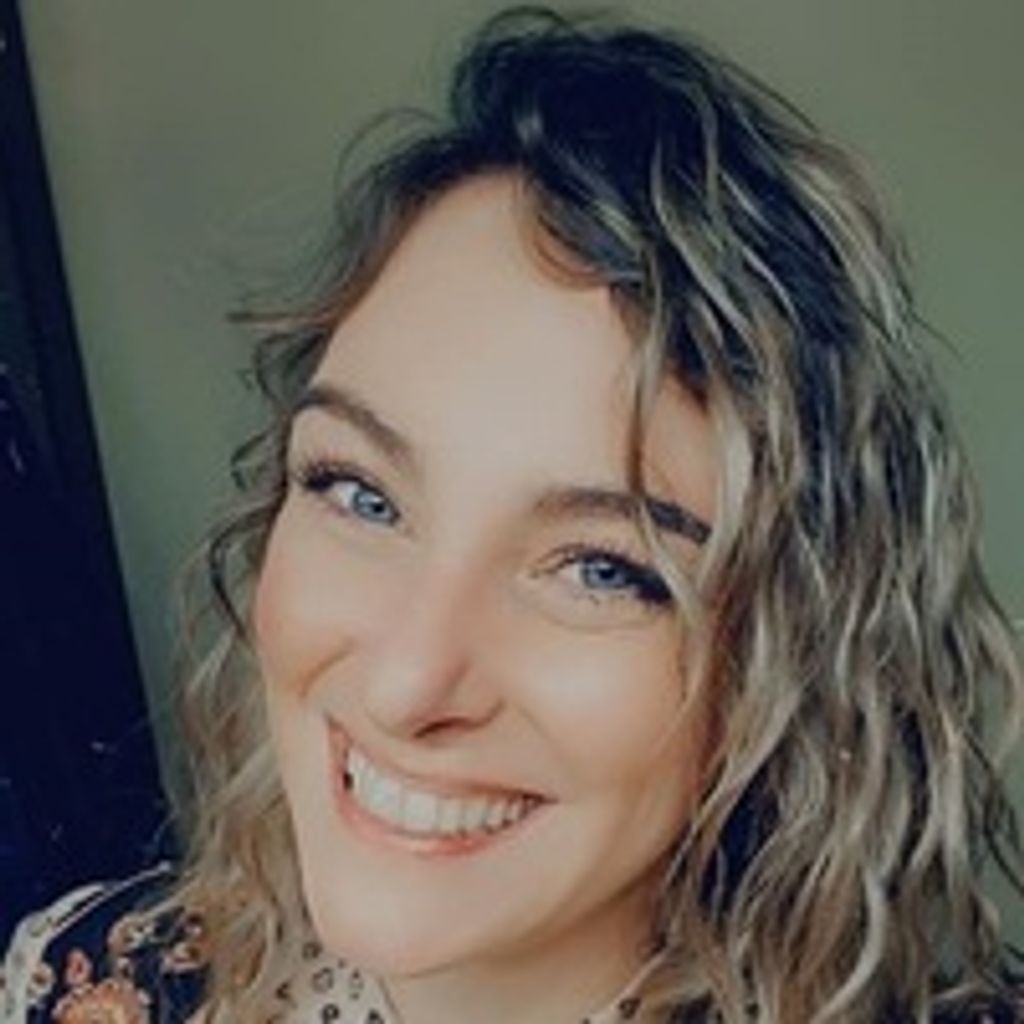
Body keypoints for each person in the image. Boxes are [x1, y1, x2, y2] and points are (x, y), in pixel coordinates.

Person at [3, 6, 1022, 1022]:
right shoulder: (83, 982)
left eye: (602, 568)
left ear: (792, 654)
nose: (406, 687)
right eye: (361, 493)